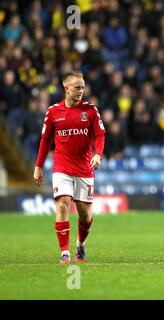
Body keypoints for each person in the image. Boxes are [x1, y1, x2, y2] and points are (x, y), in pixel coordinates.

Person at [33, 71, 106, 264]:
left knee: (84, 212)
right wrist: (38, 166)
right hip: (62, 167)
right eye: (77, 87)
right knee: (63, 204)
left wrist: (98, 154)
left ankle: (80, 244)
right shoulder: (53, 112)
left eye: (82, 87)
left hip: (84, 168)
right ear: (66, 89)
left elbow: (99, 135)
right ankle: (64, 252)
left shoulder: (90, 111)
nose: (81, 91)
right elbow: (45, 140)